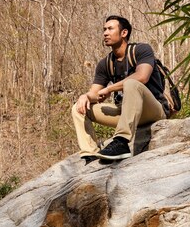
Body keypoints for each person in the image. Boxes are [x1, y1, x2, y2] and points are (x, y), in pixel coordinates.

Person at [71, 15, 169, 163]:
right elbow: (95, 93)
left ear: (124, 33)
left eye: (110, 29)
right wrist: (85, 96)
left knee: (131, 83)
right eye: (104, 29)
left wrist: (110, 89)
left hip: (153, 110)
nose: (105, 33)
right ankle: (90, 154)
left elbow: (142, 76)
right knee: (78, 107)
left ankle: (122, 142)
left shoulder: (141, 50)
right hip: (126, 112)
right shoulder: (105, 64)